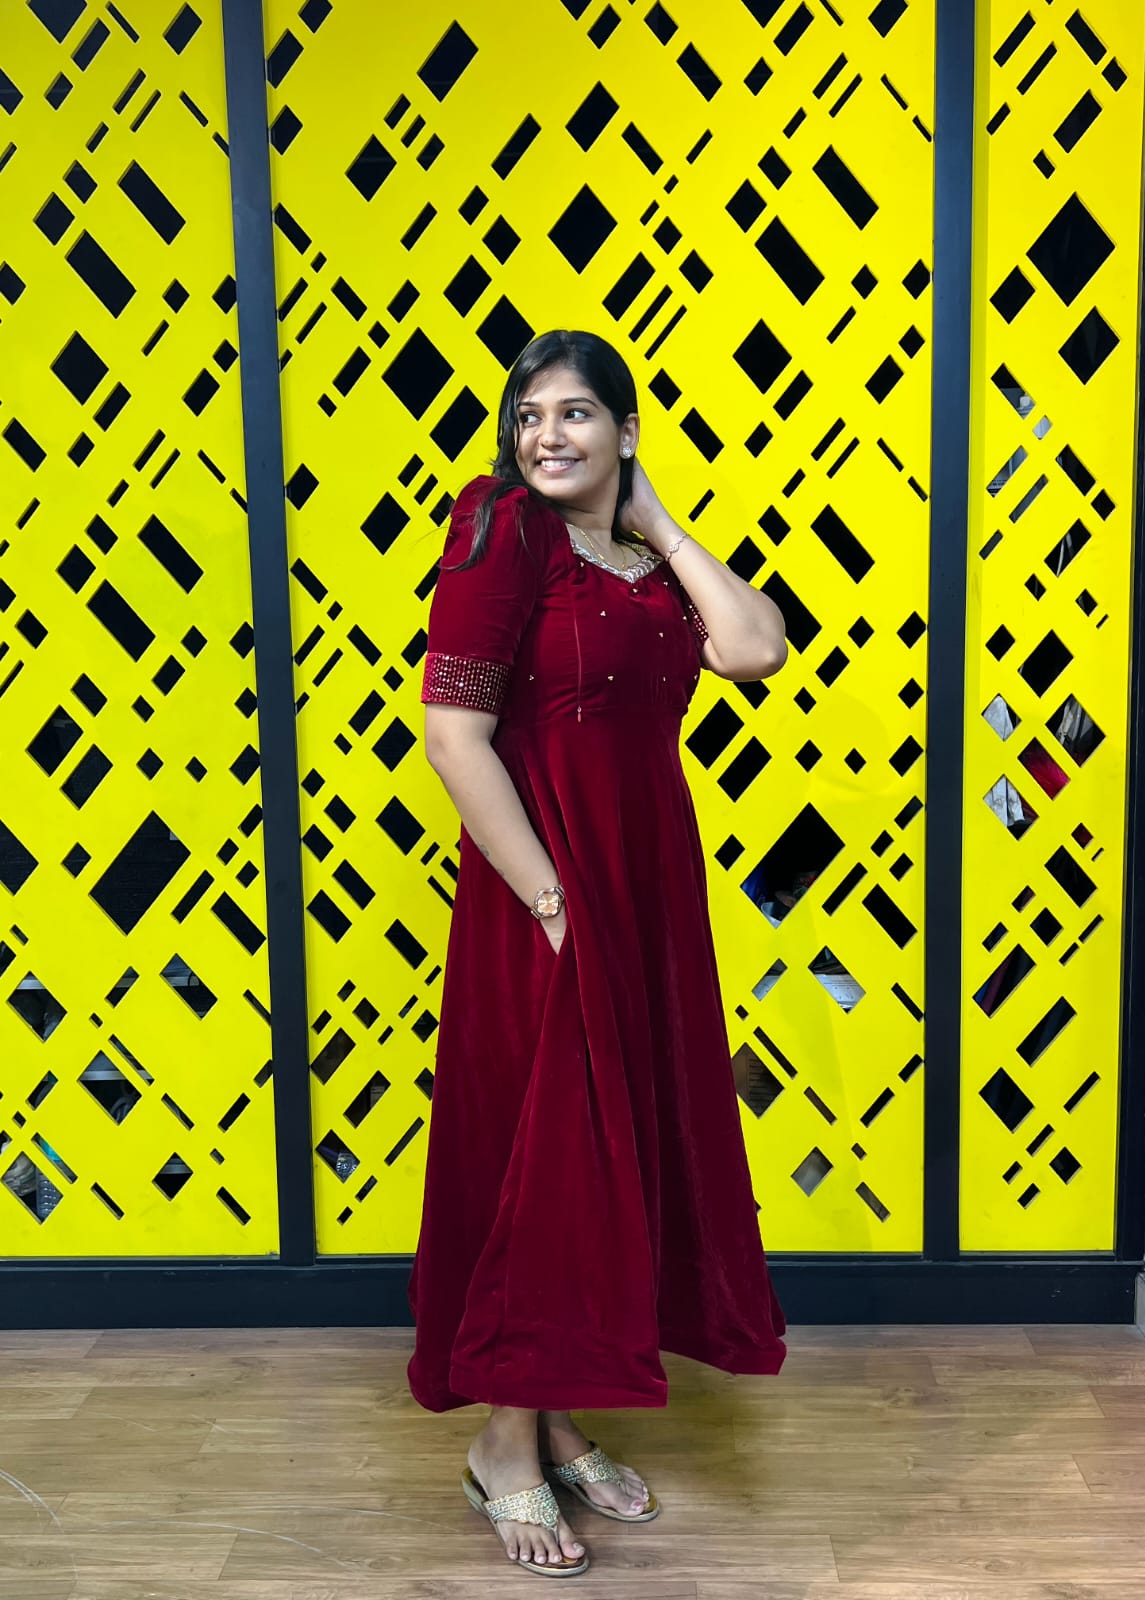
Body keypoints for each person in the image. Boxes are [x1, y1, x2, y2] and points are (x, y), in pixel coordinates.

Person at [409, 330, 789, 1579]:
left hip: (647, 887)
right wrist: (550, 900)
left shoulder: (641, 561)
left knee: (617, 1146)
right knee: (549, 1161)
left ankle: (557, 1420)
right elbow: (454, 736)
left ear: (625, 430)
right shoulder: (499, 533)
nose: (547, 435)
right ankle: (501, 1445)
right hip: (547, 890)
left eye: (576, 412)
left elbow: (754, 648)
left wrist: (658, 519)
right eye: (529, 415)